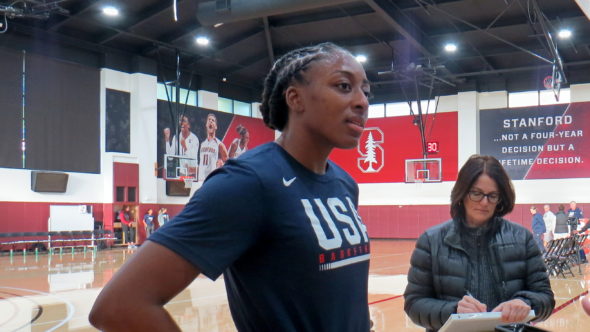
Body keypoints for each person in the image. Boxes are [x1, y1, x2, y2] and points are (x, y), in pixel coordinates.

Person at [89, 42, 372, 331]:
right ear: (295, 99)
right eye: (343, 86)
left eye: (366, 90)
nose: (362, 101)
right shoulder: (247, 182)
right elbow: (119, 306)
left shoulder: (344, 183)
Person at [404, 155, 554, 332]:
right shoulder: (431, 241)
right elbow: (414, 304)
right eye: (476, 193)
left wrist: (525, 303)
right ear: (462, 192)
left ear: (500, 198)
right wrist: (453, 311)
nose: (484, 202)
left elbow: (545, 298)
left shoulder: (522, 238)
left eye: (492, 195)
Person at [197, 113, 228, 181]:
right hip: (201, 178)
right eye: (209, 120)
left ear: (216, 127)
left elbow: (228, 162)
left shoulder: (219, 144)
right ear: (206, 125)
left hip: (212, 179)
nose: (210, 121)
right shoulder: (202, 144)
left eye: (213, 120)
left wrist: (222, 164)